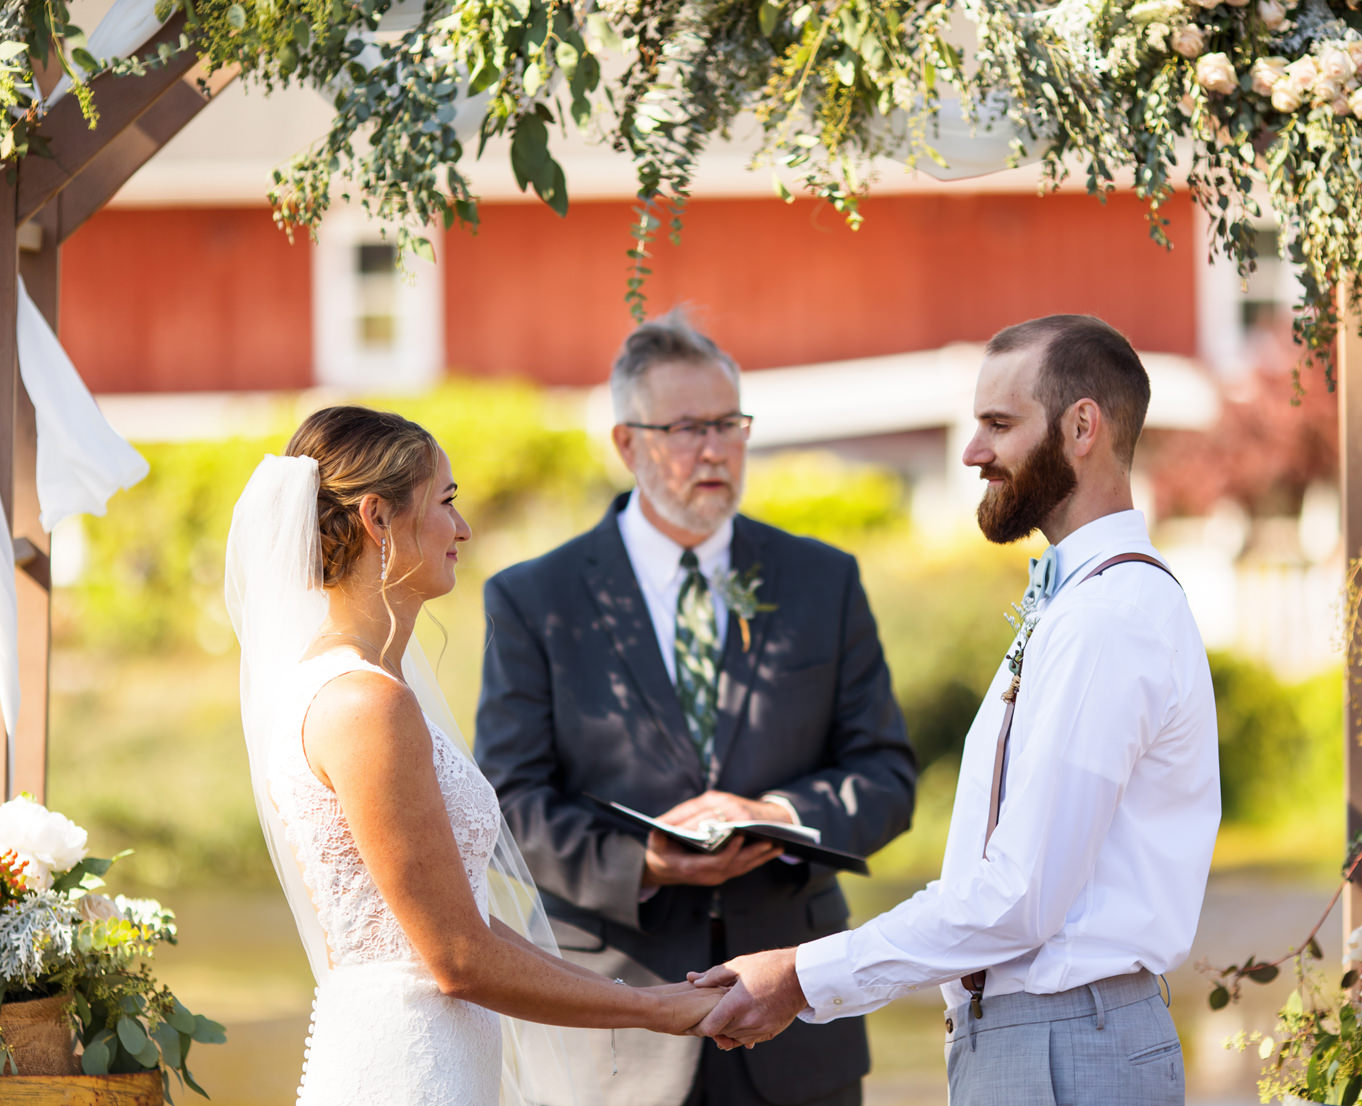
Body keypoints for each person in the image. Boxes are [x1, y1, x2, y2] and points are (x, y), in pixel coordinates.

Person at [689, 315, 1221, 1106]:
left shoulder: (1109, 618)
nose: (974, 452)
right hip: (1041, 1043)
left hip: (1066, 1046)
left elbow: (1018, 899)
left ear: (1083, 427)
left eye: (999, 425)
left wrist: (803, 976)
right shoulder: (1080, 602)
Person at [474, 311, 918, 1106]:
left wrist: (776, 815)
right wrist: (641, 861)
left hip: (795, 1026)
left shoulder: (823, 580)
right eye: (685, 428)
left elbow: (885, 774)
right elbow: (509, 804)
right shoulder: (536, 599)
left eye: (728, 424)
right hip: (616, 1034)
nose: (714, 449)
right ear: (627, 443)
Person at [225, 405, 725, 1106]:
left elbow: (463, 923)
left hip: (438, 1059)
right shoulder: (367, 706)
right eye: (447, 501)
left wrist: (656, 996)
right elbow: (457, 958)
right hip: (407, 1072)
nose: (462, 527)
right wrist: (656, 1012)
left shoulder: (358, 689)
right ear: (377, 519)